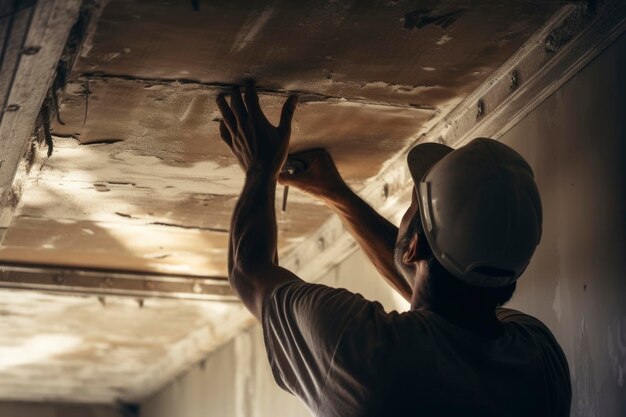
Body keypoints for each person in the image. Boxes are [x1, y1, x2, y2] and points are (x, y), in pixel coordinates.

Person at [215, 83, 572, 417]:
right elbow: (453, 302)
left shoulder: (364, 352)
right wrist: (337, 195)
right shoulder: (539, 364)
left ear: (414, 246)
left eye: (412, 207)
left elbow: (249, 273)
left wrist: (261, 166)